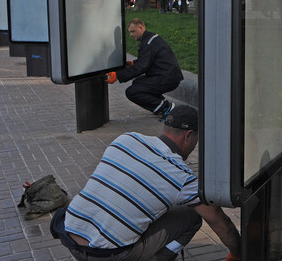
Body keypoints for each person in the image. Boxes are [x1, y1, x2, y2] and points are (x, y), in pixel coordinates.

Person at [50, 105, 242, 261]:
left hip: (69, 233)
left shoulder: (126, 139)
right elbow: (219, 222)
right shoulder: (181, 177)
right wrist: (237, 252)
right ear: (188, 135)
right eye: (196, 140)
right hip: (106, 255)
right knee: (191, 216)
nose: (194, 146)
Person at [106, 18, 183, 120]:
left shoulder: (148, 43)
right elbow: (147, 60)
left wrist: (117, 75)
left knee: (132, 92)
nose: (131, 35)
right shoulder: (150, 39)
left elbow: (141, 67)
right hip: (167, 76)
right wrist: (133, 63)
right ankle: (160, 104)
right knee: (137, 82)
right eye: (129, 32)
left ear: (141, 28)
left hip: (167, 78)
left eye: (133, 31)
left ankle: (165, 107)